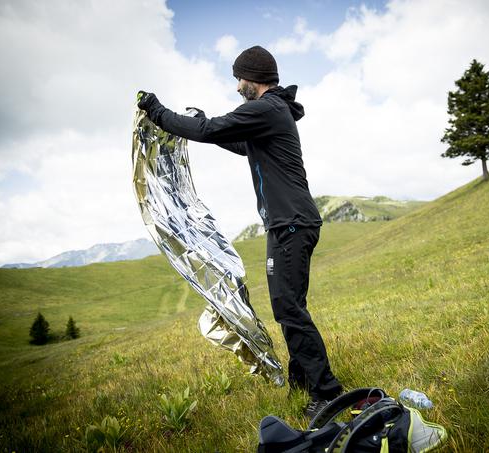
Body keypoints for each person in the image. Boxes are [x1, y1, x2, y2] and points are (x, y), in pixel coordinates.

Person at [137, 45, 342, 417]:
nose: (236, 88)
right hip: (289, 222)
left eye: (238, 79)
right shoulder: (271, 113)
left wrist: (158, 112)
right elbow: (237, 141)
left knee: (289, 308)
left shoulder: (266, 108)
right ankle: (303, 381)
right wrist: (204, 125)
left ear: (254, 79)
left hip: (291, 223)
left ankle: (326, 392)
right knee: (289, 305)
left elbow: (212, 129)